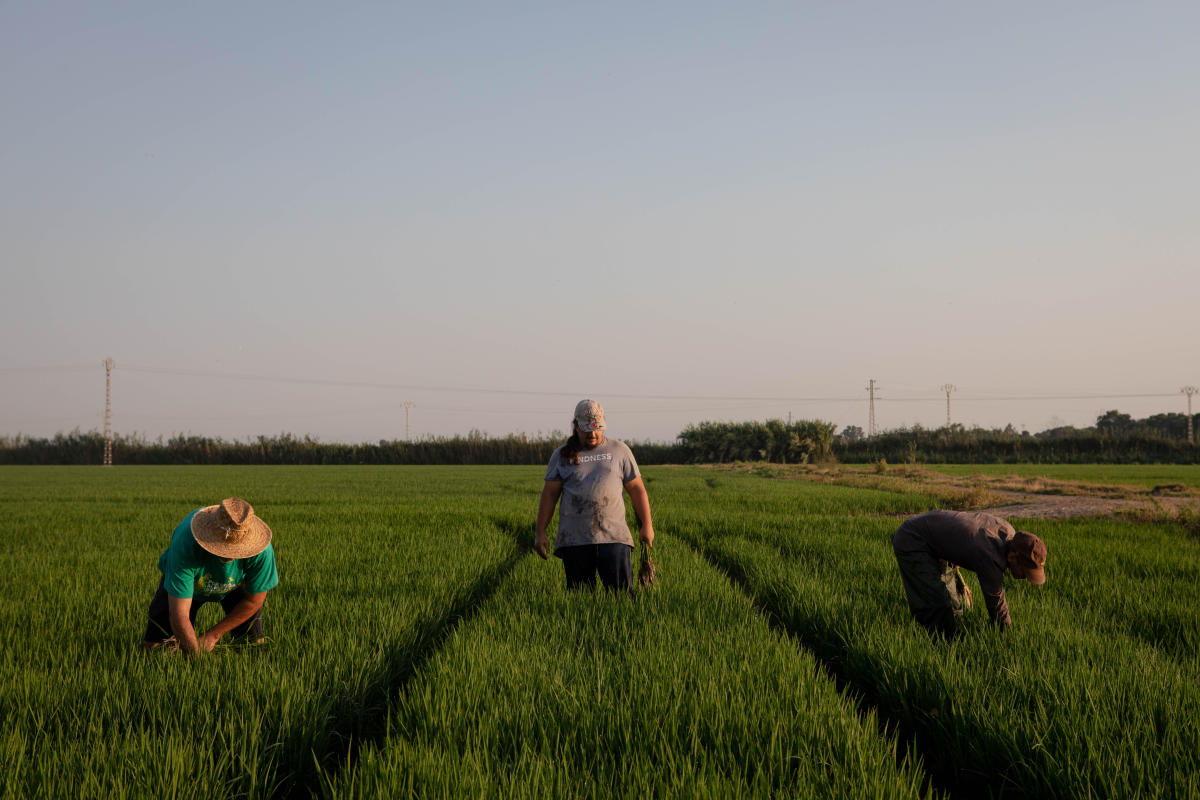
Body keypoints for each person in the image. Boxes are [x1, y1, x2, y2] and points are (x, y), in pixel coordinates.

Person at [535, 399, 654, 590]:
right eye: (586, 429)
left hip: (614, 538)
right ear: (576, 426)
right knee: (581, 602)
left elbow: (637, 490)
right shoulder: (561, 456)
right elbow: (549, 495)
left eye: (597, 428)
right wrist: (540, 532)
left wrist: (647, 525)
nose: (592, 433)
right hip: (575, 540)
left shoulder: (619, 450)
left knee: (621, 599)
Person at [142, 497, 279, 655]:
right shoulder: (187, 543)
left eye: (236, 551)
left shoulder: (261, 550)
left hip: (234, 583)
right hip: (191, 584)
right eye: (223, 549)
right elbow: (179, 614)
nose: (229, 557)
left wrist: (212, 636)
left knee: (253, 646)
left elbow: (253, 601)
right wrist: (198, 660)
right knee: (155, 649)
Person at [892, 510, 1046, 637]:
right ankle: (938, 645)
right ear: (1013, 557)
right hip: (913, 540)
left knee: (954, 606)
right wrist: (1008, 636)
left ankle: (949, 633)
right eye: (1025, 572)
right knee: (936, 602)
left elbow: (968, 536)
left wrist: (959, 551)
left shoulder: (1011, 534)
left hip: (936, 542)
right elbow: (996, 603)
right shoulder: (990, 554)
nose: (1025, 577)